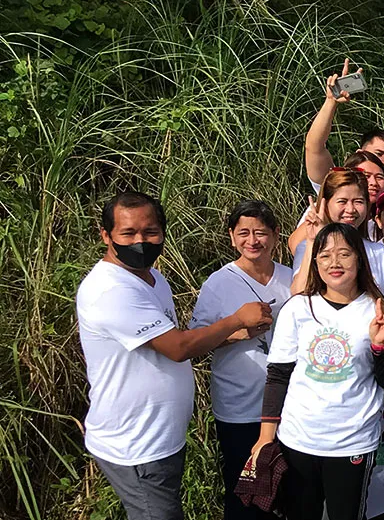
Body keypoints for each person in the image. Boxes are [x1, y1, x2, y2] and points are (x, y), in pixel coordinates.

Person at [78, 192, 272, 520]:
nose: (140, 241)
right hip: (136, 443)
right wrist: (236, 320)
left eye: (150, 232)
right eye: (128, 233)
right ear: (106, 235)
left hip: (160, 436)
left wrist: (231, 336)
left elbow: (173, 342)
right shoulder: (112, 290)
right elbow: (179, 348)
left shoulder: (152, 279)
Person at [255, 223, 384, 520]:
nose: (335, 262)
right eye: (325, 255)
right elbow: (279, 375)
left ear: (359, 258)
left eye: (344, 253)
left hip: (352, 442)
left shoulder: (378, 309)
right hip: (298, 440)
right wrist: (265, 438)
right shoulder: (298, 308)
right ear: (315, 263)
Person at [189, 200, 292, 520]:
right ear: (232, 237)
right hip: (239, 408)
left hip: (289, 406)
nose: (252, 241)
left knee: (288, 493)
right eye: (243, 233)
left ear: (275, 235)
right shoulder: (219, 283)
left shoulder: (292, 279)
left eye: (261, 233)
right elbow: (196, 341)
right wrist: (238, 332)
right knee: (244, 492)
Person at [304, 59, 384, 192]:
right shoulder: (335, 186)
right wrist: (330, 102)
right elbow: (314, 147)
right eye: (379, 153)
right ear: (359, 154)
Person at [288, 168, 384, 292]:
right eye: (342, 202)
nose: (350, 209)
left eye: (358, 202)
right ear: (326, 204)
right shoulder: (307, 247)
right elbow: (298, 292)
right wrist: (313, 242)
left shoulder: (379, 252)